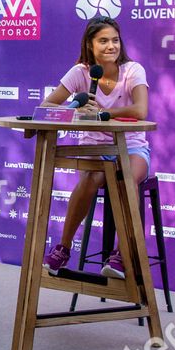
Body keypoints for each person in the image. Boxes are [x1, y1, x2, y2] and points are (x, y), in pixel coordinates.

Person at [41, 16, 151, 279]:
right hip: (94, 149)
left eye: (115, 40)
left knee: (126, 177)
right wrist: (76, 111)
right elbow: (47, 107)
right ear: (90, 45)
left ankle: (121, 255)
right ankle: (63, 249)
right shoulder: (80, 72)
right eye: (103, 41)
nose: (111, 46)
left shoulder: (133, 70)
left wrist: (103, 113)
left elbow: (141, 110)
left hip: (131, 147)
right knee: (91, 178)